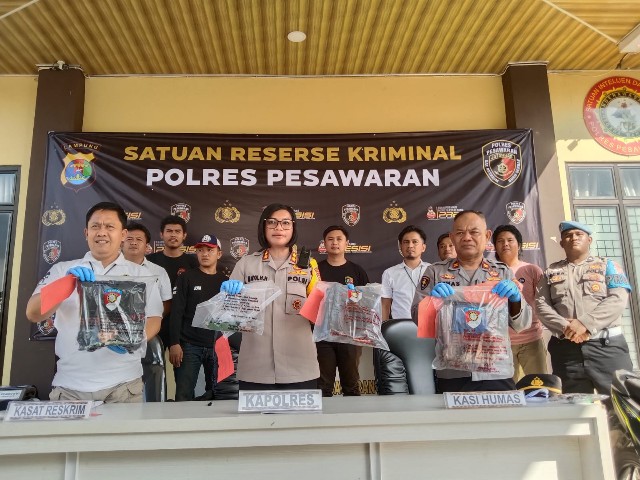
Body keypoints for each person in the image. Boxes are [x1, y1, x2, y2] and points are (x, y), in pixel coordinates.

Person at [26, 202, 163, 403]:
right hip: (70, 387)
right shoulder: (62, 270)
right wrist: (66, 284)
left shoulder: (141, 275)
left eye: (110, 227)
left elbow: (154, 318)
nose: (101, 232)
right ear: (86, 232)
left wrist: (131, 339)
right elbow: (33, 313)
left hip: (123, 386)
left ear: (123, 234)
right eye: (95, 226)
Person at [412, 210, 531, 392]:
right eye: (460, 233)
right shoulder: (435, 272)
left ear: (487, 236)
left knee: (501, 411)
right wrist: (431, 303)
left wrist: (515, 300)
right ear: (452, 237)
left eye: (474, 232)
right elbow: (417, 319)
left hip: (494, 370)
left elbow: (522, 324)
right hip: (452, 370)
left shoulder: (502, 272)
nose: (467, 237)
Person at [221, 203, 320, 390]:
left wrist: (339, 297)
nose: (279, 228)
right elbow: (227, 315)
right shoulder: (246, 264)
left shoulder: (308, 265)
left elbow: (319, 313)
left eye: (285, 223)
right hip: (255, 367)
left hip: (300, 366)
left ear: (293, 227)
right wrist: (228, 296)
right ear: (263, 226)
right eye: (272, 222)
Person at [535, 220, 633, 395]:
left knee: (620, 404)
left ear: (589, 240)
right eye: (568, 235)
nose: (573, 238)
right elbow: (541, 305)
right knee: (574, 405)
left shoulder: (608, 265)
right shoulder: (550, 272)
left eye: (579, 234)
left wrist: (585, 324)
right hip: (567, 351)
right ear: (561, 243)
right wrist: (566, 327)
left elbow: (618, 299)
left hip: (607, 348)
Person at [169, 234, 228, 401]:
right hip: (189, 345)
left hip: (217, 346)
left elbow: (230, 317)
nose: (205, 254)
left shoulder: (225, 282)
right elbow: (176, 312)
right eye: (200, 250)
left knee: (218, 394)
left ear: (219, 254)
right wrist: (174, 343)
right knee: (183, 395)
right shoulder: (186, 277)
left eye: (210, 250)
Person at [316, 225, 369, 397]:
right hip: (323, 334)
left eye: (339, 239)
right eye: (330, 239)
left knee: (351, 384)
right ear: (324, 244)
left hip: (350, 335)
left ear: (346, 243)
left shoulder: (357, 271)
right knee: (323, 385)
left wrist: (355, 297)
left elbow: (366, 302)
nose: (335, 243)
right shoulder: (316, 270)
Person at [492, 224, 546, 381]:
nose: (505, 244)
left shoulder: (532, 270)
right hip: (501, 344)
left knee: (539, 387)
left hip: (532, 340)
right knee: (508, 391)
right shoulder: (489, 272)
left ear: (519, 245)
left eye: (510, 240)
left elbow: (543, 302)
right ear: (494, 246)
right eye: (500, 241)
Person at [146, 215, 198, 348]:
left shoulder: (194, 264)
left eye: (177, 231)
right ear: (161, 234)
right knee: (153, 362)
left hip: (184, 327)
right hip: (154, 324)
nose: (173, 235)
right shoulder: (149, 262)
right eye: (169, 231)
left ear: (184, 235)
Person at [381, 225, 430, 321]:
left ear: (423, 247)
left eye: (415, 242)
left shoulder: (432, 270)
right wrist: (384, 326)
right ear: (400, 247)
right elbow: (385, 305)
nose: (410, 245)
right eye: (406, 242)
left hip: (427, 325)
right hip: (400, 326)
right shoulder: (389, 273)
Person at [123, 221, 172, 315]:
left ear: (146, 246)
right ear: (121, 243)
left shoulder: (159, 271)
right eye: (129, 239)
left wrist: (153, 319)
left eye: (139, 239)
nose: (134, 243)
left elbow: (166, 302)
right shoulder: (112, 269)